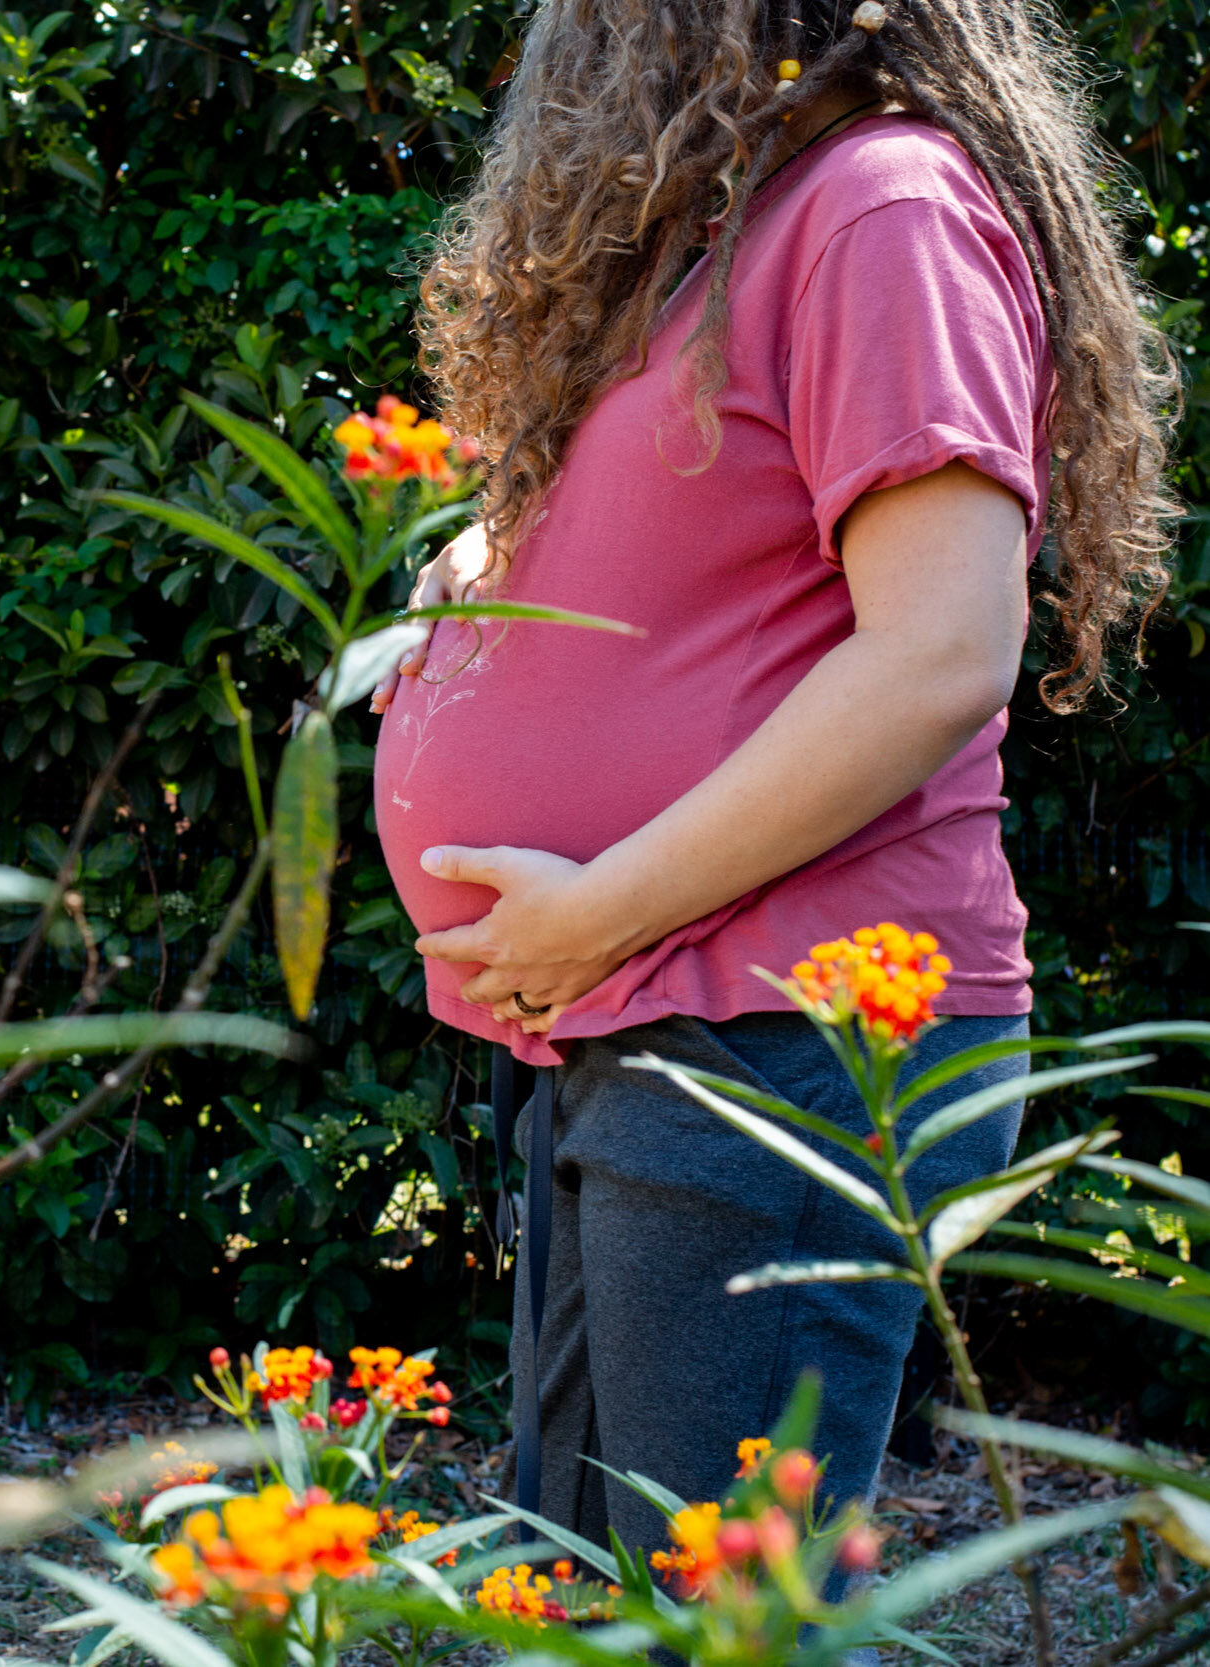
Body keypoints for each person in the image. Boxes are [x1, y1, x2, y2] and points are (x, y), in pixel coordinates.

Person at [364, 0, 1176, 1574]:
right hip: (666, 1020)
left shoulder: (884, 208)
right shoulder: (735, 225)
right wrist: (490, 560)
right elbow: (711, 550)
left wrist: (600, 904)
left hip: (787, 1036)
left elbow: (943, 650)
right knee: (601, 1586)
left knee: (719, 1613)